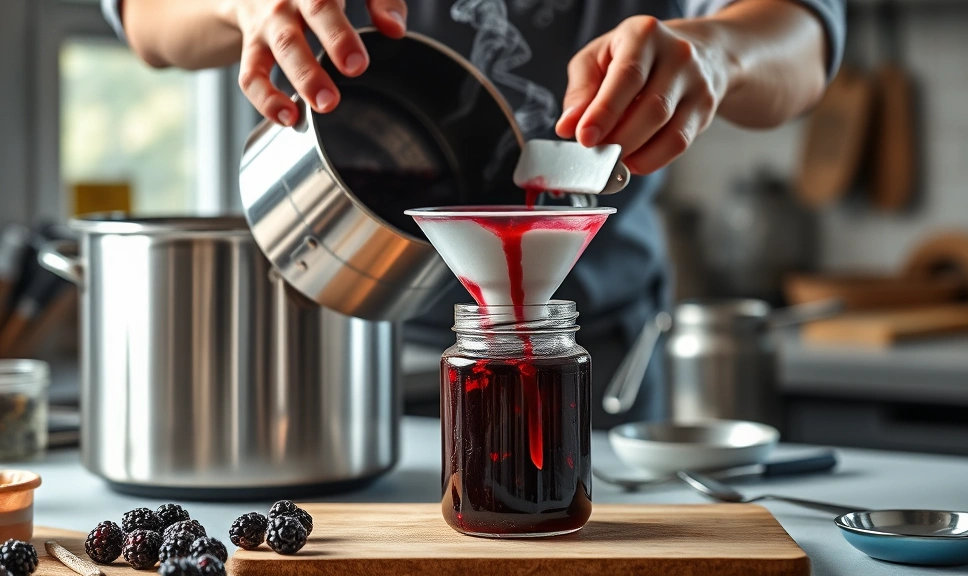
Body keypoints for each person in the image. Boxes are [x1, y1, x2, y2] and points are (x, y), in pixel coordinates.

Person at [102, 0, 845, 428]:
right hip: (325, 366)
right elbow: (147, 18)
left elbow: (805, 40)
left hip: (600, 360)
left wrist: (713, 53)